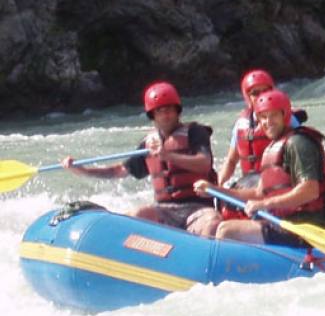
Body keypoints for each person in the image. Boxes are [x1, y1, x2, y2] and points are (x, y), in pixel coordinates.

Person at [61, 81, 221, 236]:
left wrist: (168, 156)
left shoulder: (195, 132)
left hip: (198, 208)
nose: (165, 115)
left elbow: (204, 164)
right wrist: (81, 170)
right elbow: (119, 171)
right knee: (137, 214)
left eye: (169, 110)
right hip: (165, 210)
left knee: (212, 221)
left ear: (177, 111)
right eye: (160, 111)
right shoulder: (148, 144)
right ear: (153, 115)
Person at [194, 89, 325, 245]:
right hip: (280, 221)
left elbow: (310, 191)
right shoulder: (271, 148)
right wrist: (215, 190)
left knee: (226, 231)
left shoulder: (298, 143)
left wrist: (266, 204)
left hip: (306, 225)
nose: (268, 122)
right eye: (263, 117)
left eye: (274, 115)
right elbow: (258, 193)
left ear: (285, 115)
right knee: (225, 226)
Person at [217, 69, 276, 187]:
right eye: (255, 93)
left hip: (277, 181)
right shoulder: (242, 124)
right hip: (250, 181)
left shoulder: (287, 118)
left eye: (265, 91)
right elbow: (231, 161)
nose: (261, 96)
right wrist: (219, 184)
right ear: (247, 97)